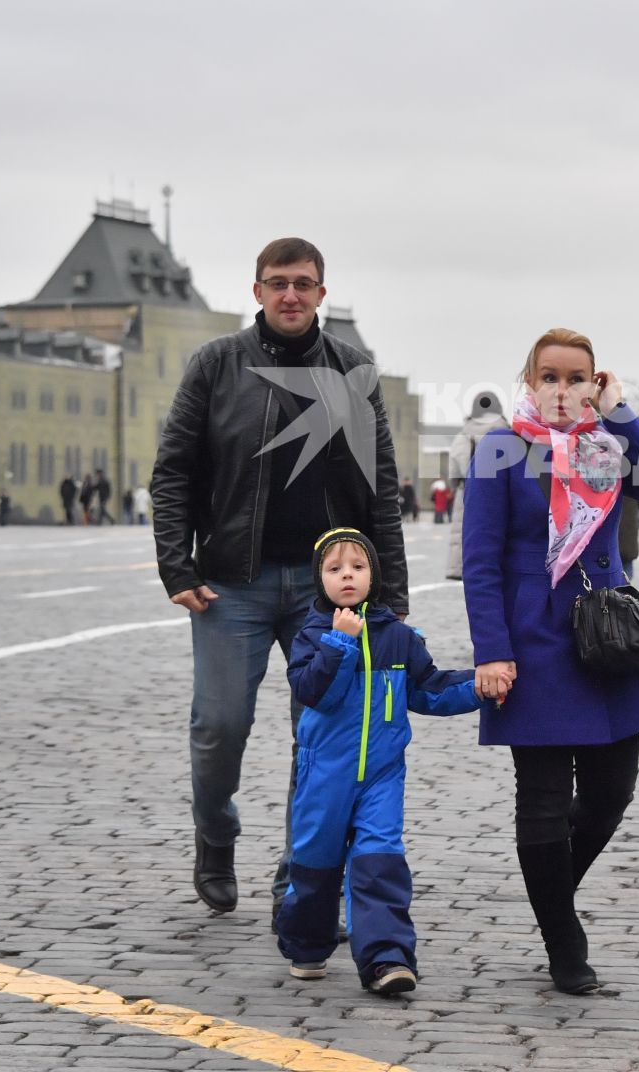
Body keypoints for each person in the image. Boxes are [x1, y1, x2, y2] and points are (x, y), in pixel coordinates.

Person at [153, 236, 409, 918]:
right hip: (230, 583)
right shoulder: (216, 364)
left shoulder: (355, 372)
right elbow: (173, 469)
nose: (289, 294)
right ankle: (216, 832)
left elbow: (382, 489)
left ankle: (301, 867)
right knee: (219, 726)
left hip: (326, 595)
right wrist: (176, 563)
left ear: (321, 293)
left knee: (318, 740)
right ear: (258, 291)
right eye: (277, 283)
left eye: (302, 283)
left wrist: (392, 595)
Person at [460, 327, 639, 994]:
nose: (562, 390)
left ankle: (550, 894)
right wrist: (492, 651)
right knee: (544, 803)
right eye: (550, 377)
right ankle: (564, 941)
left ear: (593, 382)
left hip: (608, 643)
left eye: (576, 378)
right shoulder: (501, 448)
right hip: (535, 646)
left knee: (612, 794)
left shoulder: (607, 445)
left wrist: (623, 412)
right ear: (531, 382)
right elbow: (480, 563)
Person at [273, 528, 479, 994]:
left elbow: (429, 689)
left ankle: (386, 958)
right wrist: (340, 644)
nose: (347, 574)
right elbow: (314, 694)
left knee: (379, 861)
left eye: (358, 566)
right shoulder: (312, 635)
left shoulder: (399, 637)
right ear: (319, 579)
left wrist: (480, 687)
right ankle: (307, 945)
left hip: (382, 777)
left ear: (373, 575)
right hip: (324, 772)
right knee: (314, 865)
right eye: (334, 568)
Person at [446, 391, 508, 581]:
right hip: (500, 489)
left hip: (467, 489)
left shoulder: (464, 433)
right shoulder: (506, 431)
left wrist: (456, 483)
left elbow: (454, 467)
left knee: (464, 531)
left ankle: (460, 567)